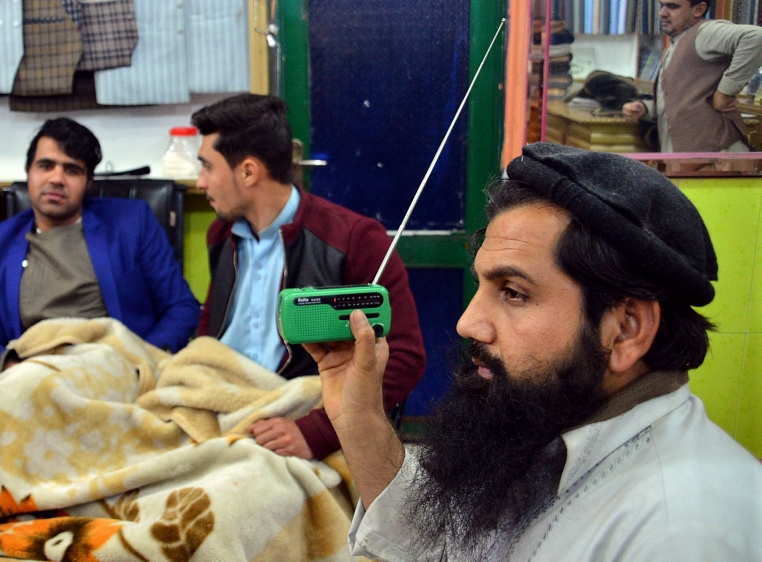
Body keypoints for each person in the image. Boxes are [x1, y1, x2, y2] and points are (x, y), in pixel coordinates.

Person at [308, 142, 762, 561]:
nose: (468, 323)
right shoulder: (550, 418)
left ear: (625, 330)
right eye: (483, 284)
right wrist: (361, 419)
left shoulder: (682, 532)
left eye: (514, 293)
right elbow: (444, 547)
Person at [192, 94, 426, 461]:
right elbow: (212, 328)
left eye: (207, 167)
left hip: (297, 418)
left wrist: (317, 431)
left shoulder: (353, 240)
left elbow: (404, 358)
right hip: (217, 403)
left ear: (249, 172)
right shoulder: (220, 236)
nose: (200, 181)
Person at [0, 117, 200, 380]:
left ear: (88, 182)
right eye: (46, 166)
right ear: (29, 173)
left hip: (114, 373)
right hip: (33, 375)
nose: (56, 178)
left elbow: (181, 307)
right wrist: (12, 370)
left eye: (72, 170)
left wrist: (143, 364)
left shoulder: (131, 224)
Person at [621, 0, 762, 152]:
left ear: (698, 10)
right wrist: (645, 109)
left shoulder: (705, 32)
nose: (663, 13)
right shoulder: (677, 42)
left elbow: (756, 37)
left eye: (673, 7)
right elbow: (683, 97)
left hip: (716, 158)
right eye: (662, 6)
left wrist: (725, 91)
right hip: (691, 158)